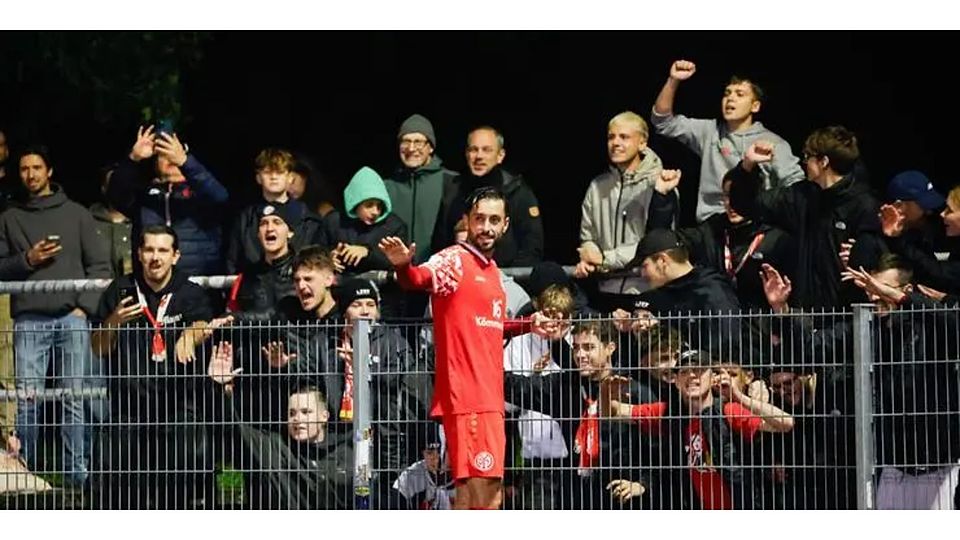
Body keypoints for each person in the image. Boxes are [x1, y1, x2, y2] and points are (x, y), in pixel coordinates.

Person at [379, 186, 546, 509]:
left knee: (483, 498)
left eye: (493, 220)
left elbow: (488, 327)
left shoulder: (493, 272)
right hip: (467, 399)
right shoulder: (454, 259)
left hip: (489, 399)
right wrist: (403, 267)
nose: (486, 226)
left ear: (506, 225)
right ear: (467, 221)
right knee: (480, 499)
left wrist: (529, 325)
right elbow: (418, 279)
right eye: (479, 218)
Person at [0, 145, 111, 487]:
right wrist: (28, 260)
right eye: (23, 169)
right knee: (27, 401)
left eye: (36, 167)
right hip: (29, 319)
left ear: (50, 171)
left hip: (71, 318)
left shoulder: (77, 214)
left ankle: (76, 477)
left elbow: (101, 267)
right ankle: (25, 474)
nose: (30, 174)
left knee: (74, 400)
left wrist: (83, 307)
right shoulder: (10, 217)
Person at [90, 225, 217, 508]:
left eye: (163, 250)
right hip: (129, 410)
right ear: (139, 254)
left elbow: (202, 323)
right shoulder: (121, 290)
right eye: (149, 250)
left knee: (180, 489)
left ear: (175, 256)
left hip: (178, 407)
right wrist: (112, 322)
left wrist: (189, 336)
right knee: (117, 493)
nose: (155, 257)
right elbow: (98, 348)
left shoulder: (189, 292)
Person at [604, 349, 795, 509]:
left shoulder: (728, 411)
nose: (692, 375)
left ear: (712, 378)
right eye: (685, 371)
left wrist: (740, 397)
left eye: (699, 369)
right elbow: (613, 412)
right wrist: (605, 393)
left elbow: (786, 423)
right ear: (675, 381)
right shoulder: (668, 413)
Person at [727, 130, 883, 309]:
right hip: (805, 314)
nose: (804, 163)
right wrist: (747, 165)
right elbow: (746, 205)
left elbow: (878, 262)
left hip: (848, 315)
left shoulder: (864, 204)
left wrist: (858, 258)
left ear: (823, 162)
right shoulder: (801, 196)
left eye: (808, 157)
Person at [651, 59, 805, 222]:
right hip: (712, 223)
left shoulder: (772, 142)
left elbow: (796, 186)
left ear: (755, 106)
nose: (730, 99)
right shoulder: (709, 131)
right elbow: (663, 122)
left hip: (753, 226)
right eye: (727, 93)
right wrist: (673, 80)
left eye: (740, 94)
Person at [646, 168, 797, 309]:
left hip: (761, 332)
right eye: (726, 195)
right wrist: (662, 197)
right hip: (717, 326)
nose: (731, 203)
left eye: (738, 196)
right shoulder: (711, 230)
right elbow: (662, 241)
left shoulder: (777, 239)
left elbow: (790, 295)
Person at [108, 125, 229, 276]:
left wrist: (185, 162)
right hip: (153, 284)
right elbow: (115, 195)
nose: (170, 159)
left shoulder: (201, 192)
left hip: (198, 284)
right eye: (163, 154)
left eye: (172, 152)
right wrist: (133, 158)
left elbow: (220, 198)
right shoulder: (145, 196)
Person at [575, 111, 665, 303]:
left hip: (644, 291)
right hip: (604, 290)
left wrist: (604, 259)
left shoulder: (660, 185)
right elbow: (588, 235)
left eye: (624, 137)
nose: (615, 143)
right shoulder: (597, 186)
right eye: (611, 137)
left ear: (642, 143)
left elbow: (656, 243)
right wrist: (589, 255)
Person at [435, 126, 544, 267]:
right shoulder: (453, 192)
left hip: (506, 280)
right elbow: (440, 244)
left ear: (500, 155)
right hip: (460, 280)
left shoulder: (517, 192)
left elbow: (532, 248)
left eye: (486, 150)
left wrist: (507, 280)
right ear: (466, 154)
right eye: (473, 149)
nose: (479, 156)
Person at [226, 148, 325, 274]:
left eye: (279, 172)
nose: (273, 177)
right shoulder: (246, 218)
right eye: (267, 172)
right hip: (255, 286)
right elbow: (232, 261)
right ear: (258, 178)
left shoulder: (308, 219)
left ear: (290, 178)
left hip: (297, 286)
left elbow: (318, 261)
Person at [91, 163, 134, 279]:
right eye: (113, 184)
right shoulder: (89, 222)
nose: (118, 188)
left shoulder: (141, 220)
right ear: (104, 188)